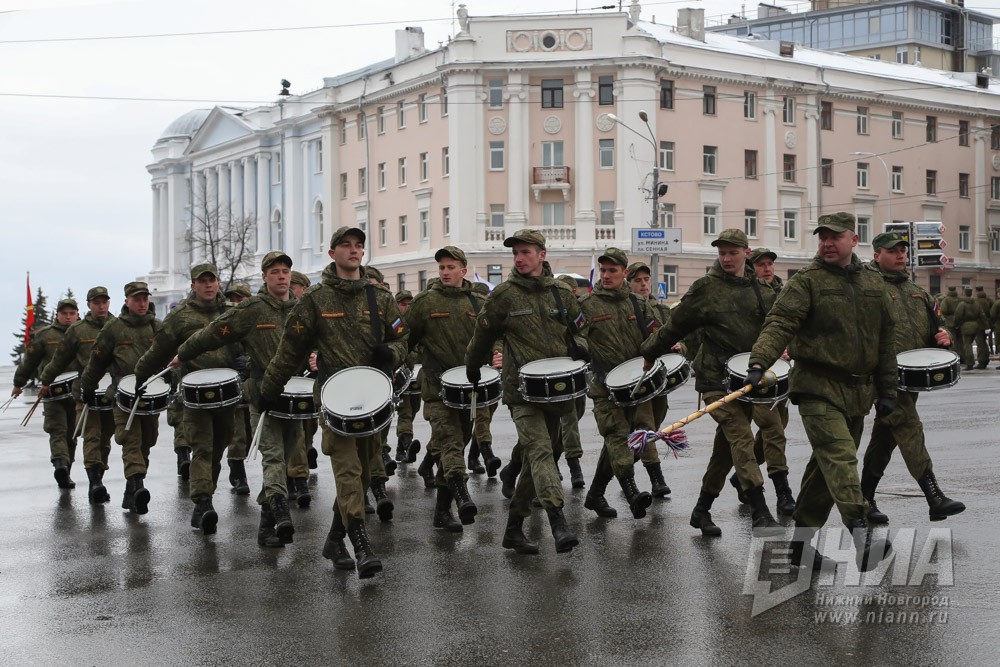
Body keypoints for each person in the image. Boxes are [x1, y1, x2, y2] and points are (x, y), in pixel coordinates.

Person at [257, 226, 408, 579]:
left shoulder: (380, 298)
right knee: (348, 472)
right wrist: (268, 390)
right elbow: (288, 350)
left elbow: (404, 338)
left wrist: (393, 353)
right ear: (332, 253)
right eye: (345, 245)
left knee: (366, 472)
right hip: (334, 401)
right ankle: (361, 545)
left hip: (373, 399)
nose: (353, 250)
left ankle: (334, 540)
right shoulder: (315, 299)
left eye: (358, 245)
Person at [748, 212, 895, 572]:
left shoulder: (872, 282)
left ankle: (799, 546)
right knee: (841, 458)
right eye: (822, 237)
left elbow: (886, 339)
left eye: (835, 237)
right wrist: (759, 362)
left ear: (853, 240)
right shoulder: (807, 281)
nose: (827, 243)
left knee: (825, 471)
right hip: (817, 387)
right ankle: (861, 536)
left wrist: (888, 390)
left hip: (858, 392)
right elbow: (780, 322)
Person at [640, 228, 780, 536]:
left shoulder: (762, 290)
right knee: (741, 436)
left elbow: (778, 327)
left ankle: (701, 510)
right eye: (722, 253)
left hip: (747, 380)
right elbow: (675, 325)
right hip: (715, 379)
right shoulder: (706, 288)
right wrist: (649, 351)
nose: (727, 258)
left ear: (746, 253)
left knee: (725, 451)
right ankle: (760, 512)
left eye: (733, 252)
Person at [465, 228, 587, 555]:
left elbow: (580, 329)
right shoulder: (503, 295)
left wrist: (582, 347)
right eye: (515, 253)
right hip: (521, 391)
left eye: (525, 252)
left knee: (540, 456)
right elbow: (481, 336)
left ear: (542, 255)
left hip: (559, 389)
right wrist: (473, 367)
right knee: (541, 451)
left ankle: (513, 529)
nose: (519, 258)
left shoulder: (562, 292)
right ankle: (558, 521)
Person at [177, 252, 305, 547]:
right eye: (275, 271)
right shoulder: (251, 309)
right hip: (262, 392)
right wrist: (182, 354)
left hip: (293, 395)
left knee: (286, 456)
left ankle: (266, 525)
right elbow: (212, 333)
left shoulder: (303, 309)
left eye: (285, 271)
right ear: (264, 277)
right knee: (272, 456)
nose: (281, 276)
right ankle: (279, 511)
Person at [860, 232, 965, 523]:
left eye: (903, 250)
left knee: (885, 438)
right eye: (893, 251)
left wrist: (945, 337)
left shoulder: (917, 292)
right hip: (881, 375)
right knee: (908, 426)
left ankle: (864, 498)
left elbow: (939, 324)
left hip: (911, 377)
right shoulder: (867, 288)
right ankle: (934, 497)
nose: (900, 255)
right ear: (877, 254)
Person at [135, 263, 236, 536]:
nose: (208, 285)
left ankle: (205, 498)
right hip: (194, 394)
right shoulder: (180, 316)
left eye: (211, 280)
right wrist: (141, 376)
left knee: (218, 448)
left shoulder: (231, 312)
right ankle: (203, 503)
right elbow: (158, 350)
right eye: (202, 281)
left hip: (227, 394)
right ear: (193, 285)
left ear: (218, 283)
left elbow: (247, 344)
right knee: (202, 447)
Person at [405, 246, 488, 531]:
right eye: (441, 267)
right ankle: (463, 496)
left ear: (463, 270)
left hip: (468, 389)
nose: (445, 272)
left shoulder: (478, 303)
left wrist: (497, 354)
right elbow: (404, 339)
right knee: (451, 442)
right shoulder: (425, 302)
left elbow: (492, 336)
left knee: (460, 441)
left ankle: (442, 511)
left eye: (451, 267)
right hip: (436, 387)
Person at [580, 248, 661, 520]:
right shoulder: (587, 305)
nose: (606, 275)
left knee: (622, 444)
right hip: (604, 388)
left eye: (612, 270)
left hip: (637, 387)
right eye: (603, 270)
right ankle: (632, 493)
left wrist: (669, 345)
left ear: (624, 272)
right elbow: (576, 339)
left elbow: (656, 332)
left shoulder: (638, 303)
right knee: (616, 436)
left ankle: (595, 494)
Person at [80, 282, 161, 513]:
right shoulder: (113, 329)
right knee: (130, 439)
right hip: (122, 396)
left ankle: (130, 492)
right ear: (127, 301)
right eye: (137, 299)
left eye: (145, 298)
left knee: (147, 441)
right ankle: (138, 485)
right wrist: (88, 387)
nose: (142, 303)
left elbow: (172, 355)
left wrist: (172, 377)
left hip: (150, 396)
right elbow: (96, 362)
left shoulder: (158, 327)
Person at [728, 248, 796, 516]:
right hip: (753, 372)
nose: (767, 268)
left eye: (770, 264)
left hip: (779, 372)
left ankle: (741, 476)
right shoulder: (745, 294)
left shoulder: (783, 293)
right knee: (773, 430)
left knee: (777, 427)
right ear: (750, 267)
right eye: (761, 264)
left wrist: (789, 348)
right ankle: (782, 491)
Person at [39, 287, 116, 504]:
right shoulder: (77, 330)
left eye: (104, 302)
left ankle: (98, 477)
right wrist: (46, 380)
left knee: (105, 439)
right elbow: (59, 359)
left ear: (108, 303)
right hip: (85, 391)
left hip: (111, 392)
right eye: (96, 302)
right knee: (91, 435)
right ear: (89, 305)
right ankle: (95, 483)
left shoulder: (118, 326)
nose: (101, 306)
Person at [12, 298, 81, 489]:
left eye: (72, 313)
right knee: (57, 430)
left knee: (72, 434)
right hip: (52, 392)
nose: (68, 317)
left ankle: (66, 470)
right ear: (57, 315)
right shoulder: (44, 335)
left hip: (77, 392)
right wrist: (18, 384)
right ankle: (60, 466)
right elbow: (29, 361)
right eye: (64, 314)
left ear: (77, 315)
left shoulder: (84, 333)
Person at [624, 261, 673, 498]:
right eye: (637, 280)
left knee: (655, 422)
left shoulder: (662, 310)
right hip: (637, 376)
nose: (643, 284)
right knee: (645, 425)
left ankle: (626, 459)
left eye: (646, 279)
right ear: (629, 283)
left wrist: (679, 346)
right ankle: (657, 479)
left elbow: (679, 337)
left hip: (659, 378)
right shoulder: (626, 309)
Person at [554, 274, 586, 489]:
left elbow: (585, 333)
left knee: (575, 415)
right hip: (556, 372)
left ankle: (554, 457)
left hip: (577, 372)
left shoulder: (579, 310)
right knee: (569, 419)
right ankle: (574, 465)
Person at [222, 282, 254, 495]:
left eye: (240, 298)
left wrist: (249, 361)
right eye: (232, 298)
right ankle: (238, 473)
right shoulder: (225, 323)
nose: (235, 302)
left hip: (252, 383)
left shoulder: (255, 319)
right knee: (237, 432)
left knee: (250, 433)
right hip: (231, 382)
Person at [289, 270, 318, 473]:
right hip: (287, 379)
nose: (289, 291)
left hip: (308, 379)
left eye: (293, 288)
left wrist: (317, 356)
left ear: (304, 289)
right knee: (294, 428)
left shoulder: (313, 312)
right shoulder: (283, 311)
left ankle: (307, 447)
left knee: (310, 423)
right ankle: (297, 474)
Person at [393, 289, 423, 464]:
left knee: (414, 409)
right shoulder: (396, 323)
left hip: (416, 374)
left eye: (409, 304)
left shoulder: (416, 323)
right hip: (400, 373)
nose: (406, 307)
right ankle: (406, 443)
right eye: (403, 304)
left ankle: (401, 448)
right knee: (405, 411)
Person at [953, 288, 980, 371]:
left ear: (964, 293)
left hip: (966, 326)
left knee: (967, 345)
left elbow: (958, 315)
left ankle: (970, 363)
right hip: (976, 325)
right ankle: (971, 361)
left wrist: (956, 324)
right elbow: (981, 314)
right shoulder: (976, 303)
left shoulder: (962, 304)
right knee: (970, 344)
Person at [974, 286, 993, 369]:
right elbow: (992, 313)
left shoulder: (976, 301)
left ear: (976, 291)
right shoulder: (989, 300)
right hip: (987, 324)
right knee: (984, 343)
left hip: (978, 325)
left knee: (980, 343)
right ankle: (986, 359)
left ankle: (982, 361)